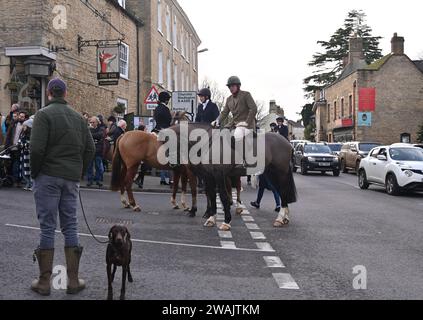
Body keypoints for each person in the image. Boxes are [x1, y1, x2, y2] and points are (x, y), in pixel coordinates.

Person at [30, 78, 95, 296]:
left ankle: (44, 282)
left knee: (47, 226)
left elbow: (36, 150)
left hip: (47, 176)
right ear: (65, 94)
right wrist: (78, 171)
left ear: (49, 93)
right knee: (70, 225)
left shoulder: (43, 114)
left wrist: (34, 172)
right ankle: (73, 281)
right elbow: (90, 149)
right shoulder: (78, 118)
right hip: (70, 178)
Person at [213, 76, 257, 172]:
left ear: (238, 86)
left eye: (233, 86)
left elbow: (253, 109)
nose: (231, 88)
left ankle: (242, 161)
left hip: (247, 124)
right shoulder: (229, 99)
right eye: (229, 87)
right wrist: (217, 121)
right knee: (222, 133)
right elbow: (224, 112)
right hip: (235, 124)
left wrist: (246, 122)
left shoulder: (246, 95)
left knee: (237, 134)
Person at [153, 91, 172, 185]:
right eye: (168, 99)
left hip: (156, 129)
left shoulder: (156, 108)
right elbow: (169, 121)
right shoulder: (165, 109)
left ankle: (163, 178)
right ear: (166, 100)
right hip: (165, 131)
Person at [5, 111, 28, 187]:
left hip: (19, 148)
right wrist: (7, 146)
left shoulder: (26, 126)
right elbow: (8, 135)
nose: (20, 118)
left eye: (22, 116)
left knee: (16, 164)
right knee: (10, 164)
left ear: (25, 118)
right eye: (20, 116)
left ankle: (16, 180)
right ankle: (11, 179)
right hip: (11, 147)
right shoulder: (14, 124)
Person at [86, 116, 105, 188]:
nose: (91, 124)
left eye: (93, 122)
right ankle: (90, 180)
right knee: (89, 167)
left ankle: (98, 180)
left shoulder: (101, 128)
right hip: (90, 151)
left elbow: (99, 135)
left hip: (98, 151)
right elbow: (86, 136)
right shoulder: (88, 129)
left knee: (98, 167)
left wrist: (91, 135)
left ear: (97, 122)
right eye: (90, 122)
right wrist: (93, 136)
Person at [19, 119, 33, 191]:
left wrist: (23, 144)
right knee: (24, 170)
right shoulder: (23, 134)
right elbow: (20, 141)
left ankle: (31, 184)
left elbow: (29, 144)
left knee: (29, 169)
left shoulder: (31, 135)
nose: (23, 127)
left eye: (25, 126)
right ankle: (28, 183)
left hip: (29, 154)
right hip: (24, 153)